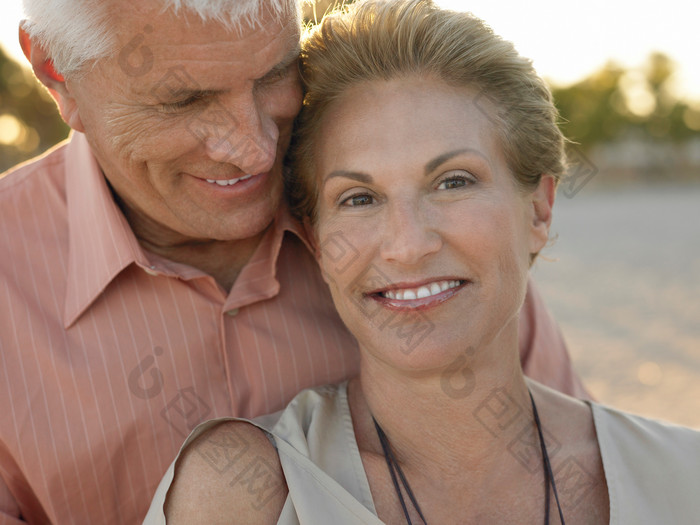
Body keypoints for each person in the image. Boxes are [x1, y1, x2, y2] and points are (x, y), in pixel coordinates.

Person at [0, 0, 587, 523]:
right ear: (57, 73)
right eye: (186, 99)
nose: (255, 149)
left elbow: (565, 483)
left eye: (276, 76)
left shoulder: (432, 251)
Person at [146, 1, 700, 523]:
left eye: (453, 182)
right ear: (316, 240)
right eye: (358, 198)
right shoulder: (245, 494)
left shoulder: (683, 475)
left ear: (538, 210)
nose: (408, 245)